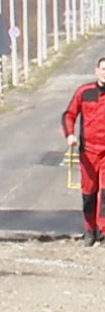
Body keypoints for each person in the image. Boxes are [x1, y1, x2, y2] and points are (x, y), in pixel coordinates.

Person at [62, 56, 105, 245]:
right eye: (103, 69)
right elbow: (69, 115)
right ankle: (89, 230)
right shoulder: (84, 92)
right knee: (89, 193)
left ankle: (103, 231)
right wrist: (69, 135)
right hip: (88, 153)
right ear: (96, 71)